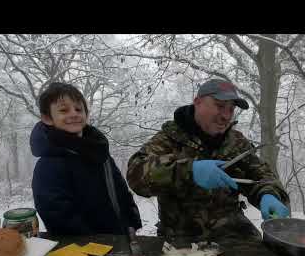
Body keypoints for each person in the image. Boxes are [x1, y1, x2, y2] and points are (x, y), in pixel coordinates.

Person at [126, 79, 290, 240]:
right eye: (219, 106)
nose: (226, 116)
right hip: (180, 238)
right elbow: (136, 175)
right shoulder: (169, 138)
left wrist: (269, 195)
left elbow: (260, 175)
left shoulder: (236, 143)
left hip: (234, 234)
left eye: (231, 109)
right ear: (197, 102)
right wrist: (189, 171)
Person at [30, 82, 142, 235]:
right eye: (64, 110)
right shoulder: (49, 164)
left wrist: (131, 221)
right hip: (83, 248)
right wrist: (94, 243)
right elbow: (56, 214)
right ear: (48, 118)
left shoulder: (99, 152)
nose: (74, 114)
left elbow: (119, 189)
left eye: (78, 109)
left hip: (118, 238)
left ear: (86, 114)